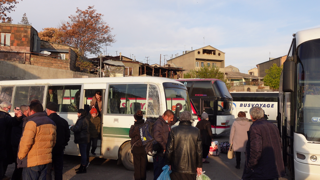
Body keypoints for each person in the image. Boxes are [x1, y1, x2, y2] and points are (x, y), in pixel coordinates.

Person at [242, 107, 285, 180]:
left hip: (262, 170)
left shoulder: (255, 127)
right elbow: (279, 144)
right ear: (263, 115)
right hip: (275, 167)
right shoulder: (273, 125)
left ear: (251, 116)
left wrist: (250, 166)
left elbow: (256, 150)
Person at [17, 101, 57, 180]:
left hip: (32, 161)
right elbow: (53, 142)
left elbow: (26, 143)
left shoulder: (31, 122)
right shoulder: (51, 122)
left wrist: (20, 156)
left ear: (31, 110)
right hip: (46, 160)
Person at [166, 111, 202, 180]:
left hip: (176, 167)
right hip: (191, 168)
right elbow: (199, 151)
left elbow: (169, 149)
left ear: (180, 119)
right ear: (190, 119)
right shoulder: (196, 131)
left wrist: (168, 163)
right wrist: (199, 165)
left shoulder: (173, 130)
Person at [46, 102, 70, 180]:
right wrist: (63, 144)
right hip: (60, 148)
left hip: (49, 149)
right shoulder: (63, 121)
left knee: (48, 170)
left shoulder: (47, 121)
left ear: (48, 110)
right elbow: (67, 135)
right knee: (58, 169)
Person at [153, 110, 175, 180]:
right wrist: (165, 147)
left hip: (165, 152)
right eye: (171, 118)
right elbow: (157, 137)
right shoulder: (158, 123)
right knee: (158, 173)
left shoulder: (166, 123)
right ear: (166, 117)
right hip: (160, 153)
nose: (172, 120)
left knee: (163, 173)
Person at [11, 105, 28, 180]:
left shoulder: (21, 120)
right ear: (25, 111)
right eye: (28, 110)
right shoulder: (22, 120)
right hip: (18, 146)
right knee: (19, 167)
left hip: (16, 145)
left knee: (19, 166)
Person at [70, 109, 90, 174]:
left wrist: (71, 127)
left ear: (80, 114)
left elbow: (77, 129)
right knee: (83, 153)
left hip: (82, 139)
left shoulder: (81, 120)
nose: (77, 114)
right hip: (84, 138)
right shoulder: (85, 119)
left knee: (83, 154)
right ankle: (82, 166)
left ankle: (83, 168)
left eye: (78, 113)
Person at [129, 110, 147, 180]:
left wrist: (132, 126)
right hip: (144, 147)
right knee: (143, 165)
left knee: (137, 166)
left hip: (136, 148)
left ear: (136, 118)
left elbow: (131, 135)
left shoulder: (135, 127)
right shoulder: (145, 125)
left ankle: (138, 178)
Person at [0, 102, 13, 180]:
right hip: (4, 142)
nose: (9, 109)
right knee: (3, 160)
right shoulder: (6, 116)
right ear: (4, 108)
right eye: (9, 108)